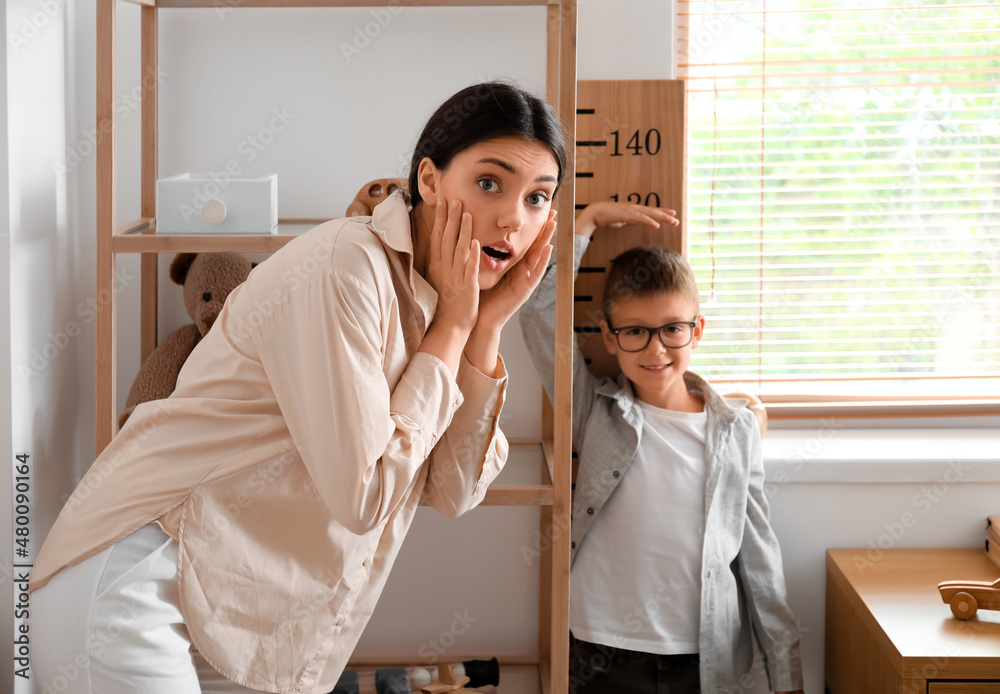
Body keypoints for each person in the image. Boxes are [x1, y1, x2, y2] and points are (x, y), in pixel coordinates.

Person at [28, 81, 566, 694]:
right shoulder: (347, 265)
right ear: (430, 180)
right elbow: (364, 498)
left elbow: (454, 490)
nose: (512, 219)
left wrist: (484, 326)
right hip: (136, 578)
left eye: (538, 198)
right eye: (490, 183)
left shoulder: (448, 304)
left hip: (220, 610)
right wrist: (455, 325)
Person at [519, 201, 805, 693]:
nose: (656, 350)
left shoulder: (734, 432)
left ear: (697, 331)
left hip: (702, 656)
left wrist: (788, 677)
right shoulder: (595, 414)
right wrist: (582, 224)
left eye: (672, 329)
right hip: (598, 650)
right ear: (608, 337)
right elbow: (539, 314)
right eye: (634, 332)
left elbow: (759, 561)